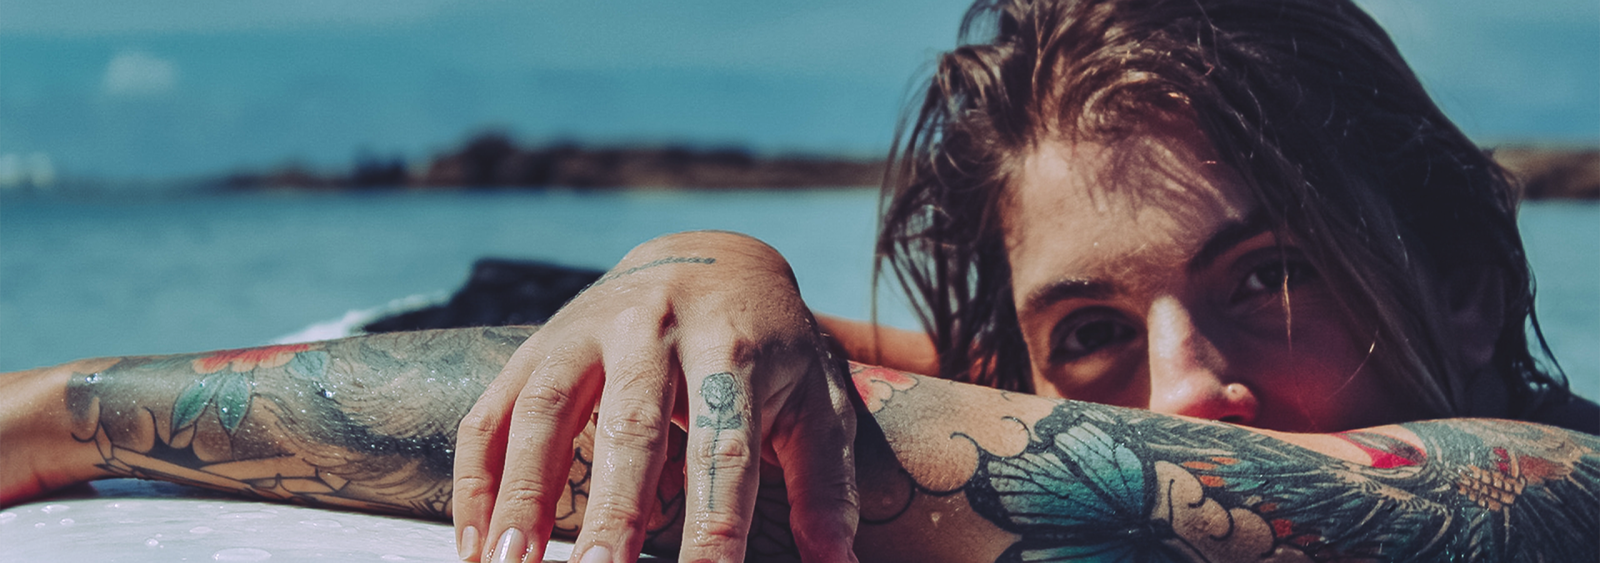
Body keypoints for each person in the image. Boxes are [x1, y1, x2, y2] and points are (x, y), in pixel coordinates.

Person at [3, 0, 1599, 561]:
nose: (1191, 387)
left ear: (1466, 277)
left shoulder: (1551, 489)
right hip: (468, 305)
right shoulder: (1030, 377)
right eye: (1093, 328)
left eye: (1274, 273)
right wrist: (706, 263)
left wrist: (61, 411)